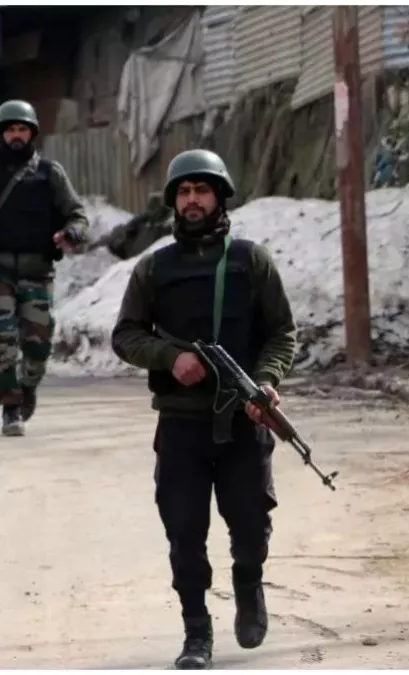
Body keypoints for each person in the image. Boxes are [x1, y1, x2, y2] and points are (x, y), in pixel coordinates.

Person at [109, 149, 298, 669]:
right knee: (184, 532)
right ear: (174, 202)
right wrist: (170, 358)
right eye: (185, 192)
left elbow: (282, 333)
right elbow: (125, 336)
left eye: (203, 191)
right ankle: (197, 631)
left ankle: (248, 583)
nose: (193, 200)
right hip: (181, 425)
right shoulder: (154, 268)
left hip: (243, 421)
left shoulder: (251, 262)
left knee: (251, 523)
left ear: (220, 198)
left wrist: (265, 381)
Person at [0, 99, 90, 436]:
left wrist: (71, 233)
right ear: (0, 134)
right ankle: (10, 406)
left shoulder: (50, 174)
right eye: (10, 129)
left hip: (38, 271)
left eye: (22, 129)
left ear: (32, 133)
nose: (16, 135)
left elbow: (77, 215)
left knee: (38, 346)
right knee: (4, 340)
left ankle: (27, 387)